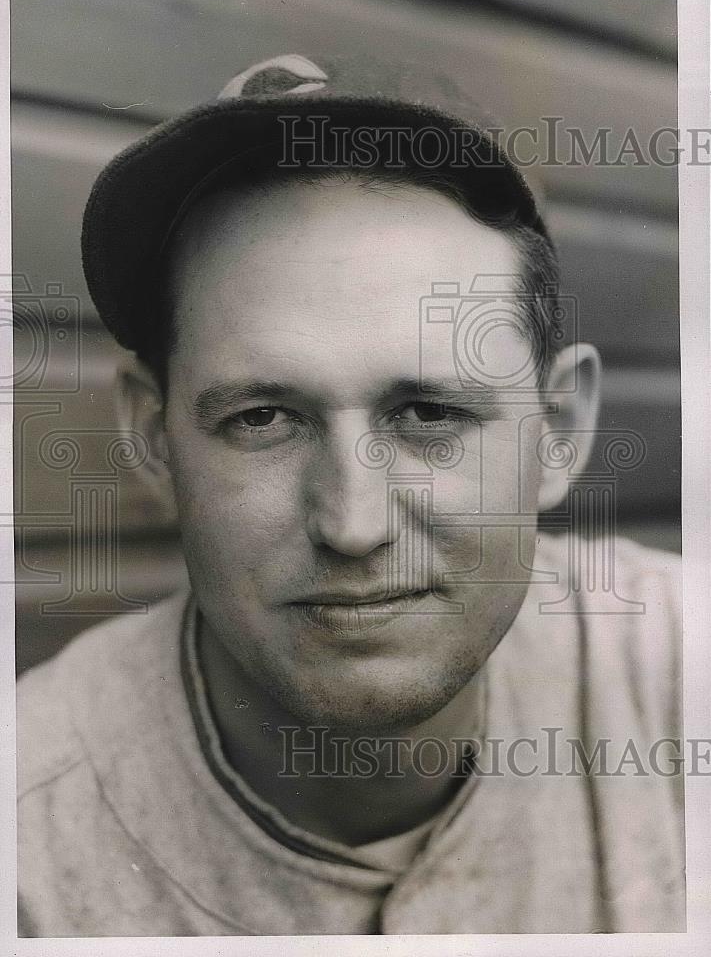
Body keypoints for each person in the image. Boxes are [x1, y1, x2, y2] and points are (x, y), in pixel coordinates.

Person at [17, 53, 684, 936]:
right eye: (261, 418)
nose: (353, 524)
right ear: (153, 436)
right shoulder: (25, 843)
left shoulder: (677, 674)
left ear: (556, 430)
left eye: (429, 412)